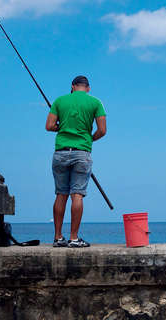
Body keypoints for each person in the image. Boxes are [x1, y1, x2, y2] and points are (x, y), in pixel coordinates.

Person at [45, 75, 107, 248]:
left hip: (61, 152)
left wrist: (62, 126)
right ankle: (73, 238)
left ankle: (58, 238)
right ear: (88, 88)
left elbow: (49, 126)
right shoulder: (95, 102)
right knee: (77, 194)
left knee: (61, 194)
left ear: (72, 87)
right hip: (82, 152)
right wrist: (89, 138)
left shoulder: (59, 101)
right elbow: (102, 130)